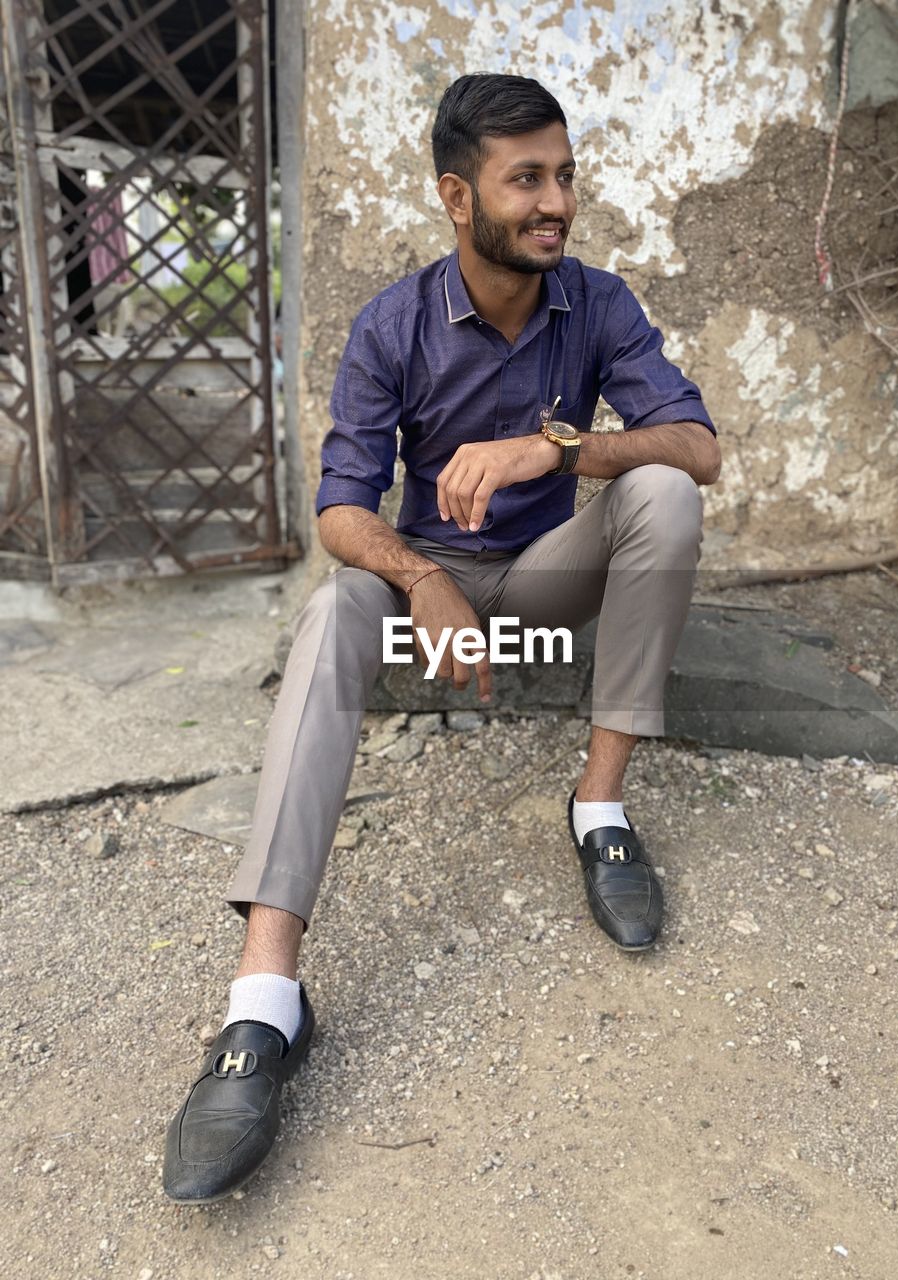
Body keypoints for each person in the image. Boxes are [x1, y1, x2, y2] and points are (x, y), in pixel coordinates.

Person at [163, 72, 721, 1204]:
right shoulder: (393, 323)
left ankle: (599, 806)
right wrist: (420, 576)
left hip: (543, 576)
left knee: (666, 493)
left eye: (563, 174)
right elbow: (339, 511)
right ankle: (264, 1004)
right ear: (458, 199)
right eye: (527, 180)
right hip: (432, 590)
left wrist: (555, 449)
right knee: (335, 603)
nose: (555, 200)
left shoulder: (598, 303)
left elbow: (698, 445)